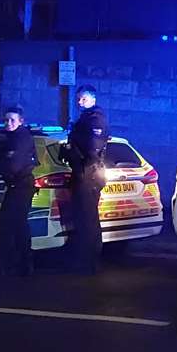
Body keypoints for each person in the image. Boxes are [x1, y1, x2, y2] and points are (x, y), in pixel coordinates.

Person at [63, 84, 108, 274]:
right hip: (83, 172)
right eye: (79, 98)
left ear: (93, 99)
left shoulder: (95, 119)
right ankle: (83, 260)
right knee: (82, 218)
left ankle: (89, 262)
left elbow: (92, 149)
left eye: (83, 99)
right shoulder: (85, 119)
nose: (79, 102)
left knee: (88, 219)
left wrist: (73, 153)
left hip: (88, 173)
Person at [0, 105, 38, 278]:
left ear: (21, 121)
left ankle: (9, 266)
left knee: (8, 226)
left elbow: (12, 165)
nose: (8, 123)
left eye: (12, 120)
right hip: (17, 186)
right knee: (18, 226)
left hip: (20, 186)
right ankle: (21, 265)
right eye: (6, 120)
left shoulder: (20, 139)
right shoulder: (11, 137)